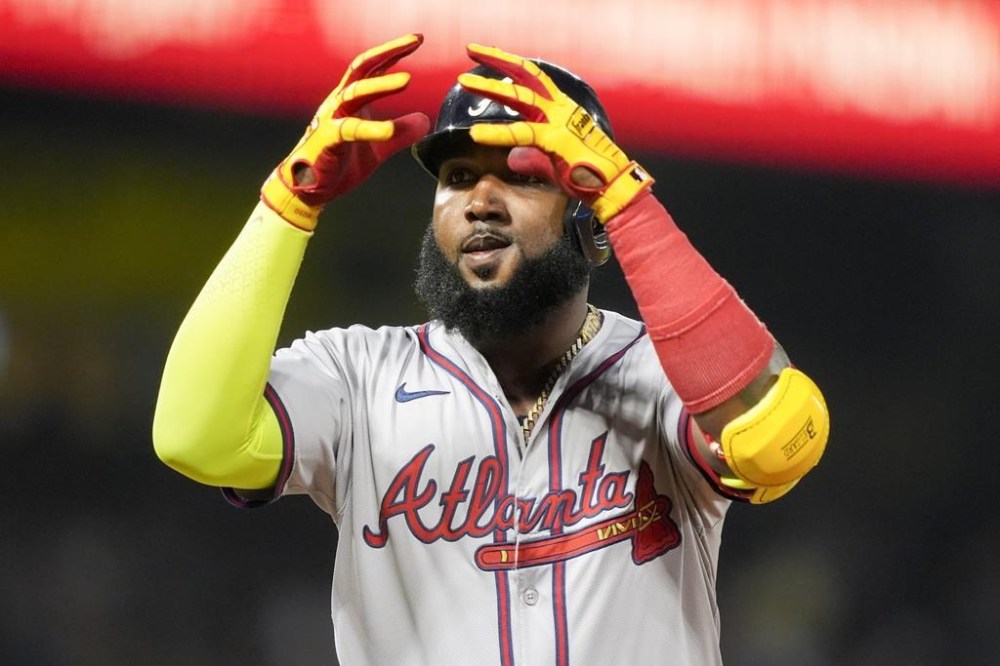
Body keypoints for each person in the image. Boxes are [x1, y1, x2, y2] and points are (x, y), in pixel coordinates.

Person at [153, 33, 829, 665]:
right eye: (457, 178)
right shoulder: (358, 376)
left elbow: (773, 439)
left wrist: (631, 204)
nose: (480, 201)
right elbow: (196, 437)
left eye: (524, 176)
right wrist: (287, 205)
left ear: (591, 216)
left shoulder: (666, 372)